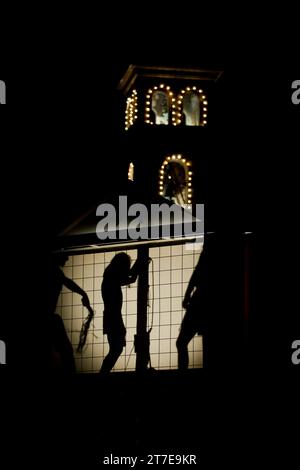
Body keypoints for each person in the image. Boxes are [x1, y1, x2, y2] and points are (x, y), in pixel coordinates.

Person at [46, 251, 91, 372]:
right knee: (66, 352)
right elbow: (67, 282)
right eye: (64, 255)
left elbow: (66, 281)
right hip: (49, 319)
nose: (67, 259)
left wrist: (83, 293)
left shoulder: (53, 271)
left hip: (50, 318)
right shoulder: (53, 271)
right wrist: (83, 294)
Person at [100, 252, 142, 374]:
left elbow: (131, 278)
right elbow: (131, 277)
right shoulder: (112, 278)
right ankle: (103, 373)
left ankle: (103, 372)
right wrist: (139, 264)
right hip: (114, 317)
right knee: (116, 349)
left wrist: (137, 265)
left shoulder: (109, 277)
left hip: (112, 316)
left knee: (115, 349)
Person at [176, 238, 215, 369]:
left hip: (198, 302)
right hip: (202, 302)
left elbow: (196, 274)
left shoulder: (206, 254)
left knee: (181, 342)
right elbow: (196, 273)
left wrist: (187, 295)